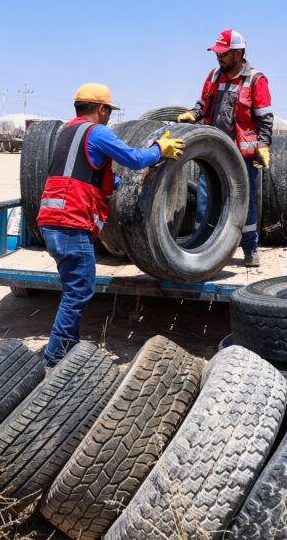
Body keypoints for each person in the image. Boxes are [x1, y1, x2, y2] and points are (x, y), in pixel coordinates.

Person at [38, 83, 185, 367]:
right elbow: (133, 158)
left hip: (51, 221)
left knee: (74, 288)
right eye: (109, 111)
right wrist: (159, 149)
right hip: (71, 223)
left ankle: (68, 346)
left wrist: (114, 184)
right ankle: (55, 357)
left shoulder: (66, 133)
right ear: (102, 109)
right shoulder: (97, 132)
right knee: (79, 291)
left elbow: (83, 174)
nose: (109, 117)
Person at [179, 29, 273, 267]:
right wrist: (193, 113)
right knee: (205, 199)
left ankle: (250, 249)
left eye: (223, 53)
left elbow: (265, 117)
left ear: (238, 53)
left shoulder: (255, 79)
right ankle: (202, 246)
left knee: (244, 201)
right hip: (212, 150)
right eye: (217, 52)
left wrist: (263, 145)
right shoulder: (213, 76)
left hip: (242, 154)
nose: (218, 57)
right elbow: (203, 103)